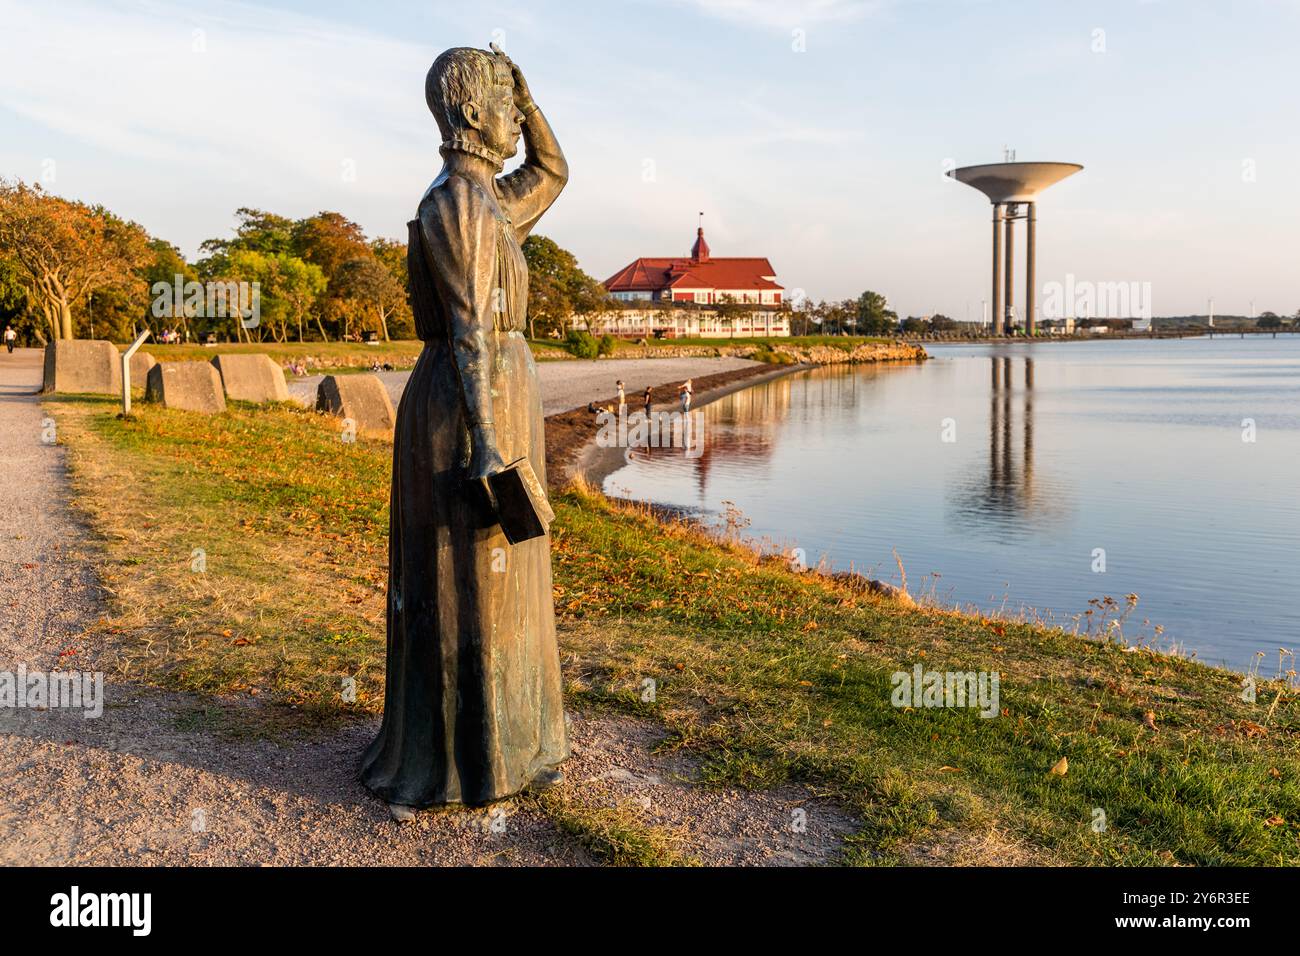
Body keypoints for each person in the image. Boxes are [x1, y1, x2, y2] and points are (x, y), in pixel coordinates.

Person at [361, 43, 569, 809]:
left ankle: (519, 737)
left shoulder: (493, 198)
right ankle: (467, 758)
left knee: (507, 580)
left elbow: (553, 173)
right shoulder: (456, 203)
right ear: (473, 114)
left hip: (495, 390)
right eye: (508, 105)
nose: (518, 120)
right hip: (467, 405)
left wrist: (531, 92)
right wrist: (489, 443)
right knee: (470, 581)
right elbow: (471, 325)